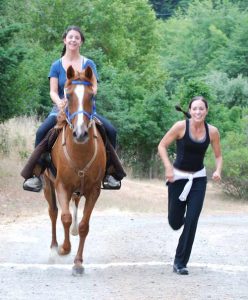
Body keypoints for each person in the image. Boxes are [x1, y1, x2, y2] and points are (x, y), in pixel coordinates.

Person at [23, 25, 122, 192]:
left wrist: (81, 95)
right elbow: (53, 91)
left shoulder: (89, 64)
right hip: (61, 110)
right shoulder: (56, 65)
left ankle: (109, 173)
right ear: (65, 40)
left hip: (84, 109)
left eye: (77, 37)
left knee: (111, 130)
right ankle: (36, 174)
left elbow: (94, 87)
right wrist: (61, 101)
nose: (73, 40)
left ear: (81, 41)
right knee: (41, 132)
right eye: (70, 37)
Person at [158, 96, 222, 275]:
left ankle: (180, 262)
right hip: (177, 178)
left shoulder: (213, 132)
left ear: (206, 111)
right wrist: (168, 168)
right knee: (175, 222)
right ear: (190, 110)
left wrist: (218, 170)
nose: (198, 112)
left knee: (192, 220)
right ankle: (179, 220)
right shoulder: (180, 127)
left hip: (198, 180)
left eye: (201, 109)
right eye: (195, 109)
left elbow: (218, 155)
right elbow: (162, 146)